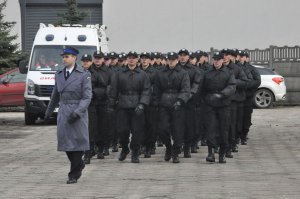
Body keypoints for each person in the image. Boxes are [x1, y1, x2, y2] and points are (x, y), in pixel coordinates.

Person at [44, 47, 92, 184]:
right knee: (66, 142)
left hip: (78, 111)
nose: (64, 59)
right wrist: (48, 111)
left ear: (75, 58)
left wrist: (78, 112)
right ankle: (79, 164)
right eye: (63, 57)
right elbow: (55, 94)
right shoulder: (59, 73)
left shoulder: (84, 74)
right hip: (64, 109)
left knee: (77, 143)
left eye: (67, 56)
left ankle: (74, 174)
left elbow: (87, 97)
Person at [108, 51, 151, 163]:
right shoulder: (119, 73)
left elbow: (146, 91)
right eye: (129, 58)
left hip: (137, 106)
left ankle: (135, 152)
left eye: (134, 58)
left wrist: (142, 104)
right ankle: (125, 148)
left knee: (137, 131)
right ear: (127, 60)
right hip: (123, 105)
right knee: (122, 131)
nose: (131, 60)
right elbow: (114, 90)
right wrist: (111, 105)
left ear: (137, 60)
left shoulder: (142, 74)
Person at [153, 52, 190, 163]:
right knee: (162, 129)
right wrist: (156, 103)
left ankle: (175, 152)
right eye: (169, 59)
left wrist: (180, 101)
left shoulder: (183, 73)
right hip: (164, 104)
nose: (171, 61)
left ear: (177, 60)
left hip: (178, 105)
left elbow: (186, 89)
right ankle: (168, 147)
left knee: (178, 130)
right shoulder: (160, 73)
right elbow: (156, 90)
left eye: (173, 60)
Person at [202, 52, 236, 163]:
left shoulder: (228, 73)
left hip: (223, 104)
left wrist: (222, 94)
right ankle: (211, 153)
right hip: (210, 104)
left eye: (218, 59)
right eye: (214, 59)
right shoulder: (207, 72)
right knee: (210, 128)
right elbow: (201, 88)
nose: (216, 62)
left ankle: (222, 153)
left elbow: (232, 86)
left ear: (223, 60)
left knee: (223, 129)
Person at [139, 52, 158, 158]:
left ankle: (150, 146)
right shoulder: (137, 71)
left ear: (150, 60)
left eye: (146, 58)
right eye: (142, 58)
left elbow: (157, 88)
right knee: (140, 125)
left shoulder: (155, 72)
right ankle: (142, 145)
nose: (144, 60)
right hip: (139, 102)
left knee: (151, 125)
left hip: (151, 102)